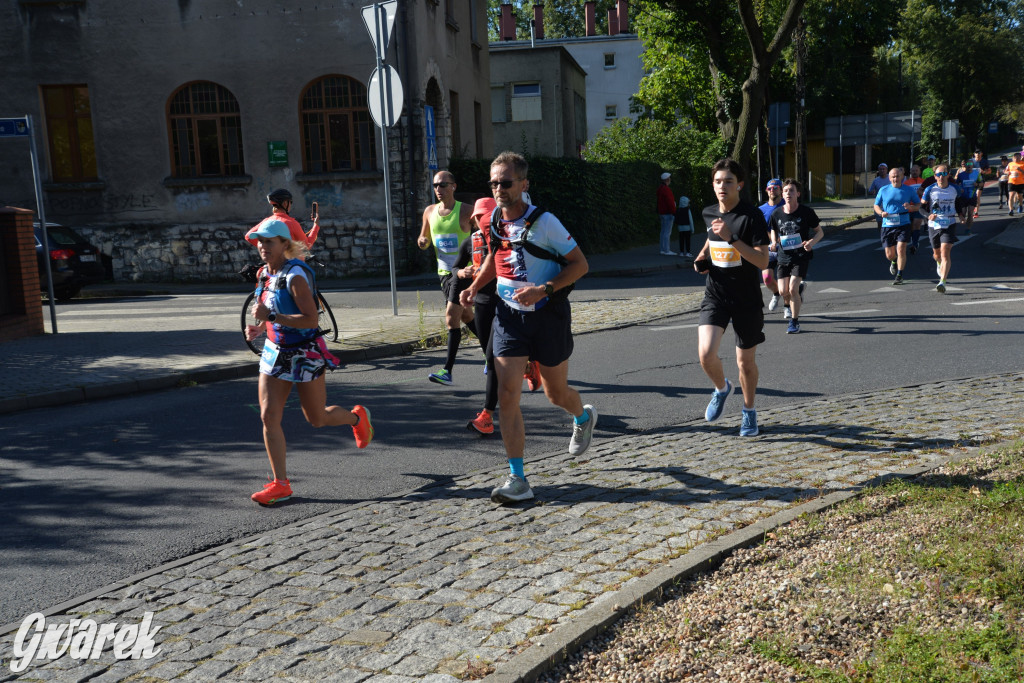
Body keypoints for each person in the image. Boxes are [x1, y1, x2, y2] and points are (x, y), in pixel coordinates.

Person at [460, 151, 595, 504]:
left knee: (556, 393)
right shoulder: (493, 221)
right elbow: (495, 255)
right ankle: (518, 478)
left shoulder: (546, 221)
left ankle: (582, 416)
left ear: (523, 184)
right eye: (494, 182)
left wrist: (544, 288)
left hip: (548, 314)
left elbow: (580, 264)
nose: (499, 188)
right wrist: (475, 286)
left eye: (506, 182)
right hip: (508, 317)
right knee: (507, 394)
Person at [243, 219, 373, 506]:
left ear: (284, 244)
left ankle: (357, 418)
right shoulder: (264, 274)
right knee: (268, 416)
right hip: (274, 351)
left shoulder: (296, 275)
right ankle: (281, 484)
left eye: (269, 242)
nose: (262, 247)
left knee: (316, 418)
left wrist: (271, 318)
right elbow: (270, 310)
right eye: (259, 242)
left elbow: (311, 319)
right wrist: (260, 329)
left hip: (304, 352)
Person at [692, 158, 770, 437]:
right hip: (716, 295)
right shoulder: (709, 212)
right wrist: (702, 257)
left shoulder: (752, 216)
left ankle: (749, 412)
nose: (722, 186)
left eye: (728, 181)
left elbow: (762, 262)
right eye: (717, 181)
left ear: (739, 184)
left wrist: (731, 238)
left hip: (746, 299)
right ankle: (721, 388)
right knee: (705, 354)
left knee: (744, 363)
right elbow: (711, 238)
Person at [454, 198, 543, 436]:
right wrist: (465, 278)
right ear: (474, 220)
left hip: (505, 304)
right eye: (478, 217)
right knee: (489, 356)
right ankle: (528, 365)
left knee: (493, 359)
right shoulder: (471, 242)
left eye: (487, 216)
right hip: (482, 304)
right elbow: (455, 268)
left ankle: (487, 415)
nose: (482, 222)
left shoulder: (507, 240)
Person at [417, 170, 475, 386]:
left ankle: (447, 371)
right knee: (467, 316)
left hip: (463, 273)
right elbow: (424, 239)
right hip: (444, 274)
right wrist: (422, 242)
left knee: (451, 316)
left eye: (443, 185)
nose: (438, 189)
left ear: (454, 186)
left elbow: (484, 237)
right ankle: (493, 353)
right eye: (435, 185)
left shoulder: (467, 211)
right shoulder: (429, 212)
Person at [769, 178, 823, 334]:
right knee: (782, 291)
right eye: (785, 190)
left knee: (791, 290)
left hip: (800, 256)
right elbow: (774, 229)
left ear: (798, 194)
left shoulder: (806, 212)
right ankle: (798, 289)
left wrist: (811, 243)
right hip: (783, 256)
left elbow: (820, 232)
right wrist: (773, 241)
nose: (788, 193)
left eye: (791, 190)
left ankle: (794, 322)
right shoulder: (777, 213)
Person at [873, 166, 921, 285]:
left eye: (897, 176)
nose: (895, 178)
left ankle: (899, 275)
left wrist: (911, 208)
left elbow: (918, 204)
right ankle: (893, 262)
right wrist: (881, 213)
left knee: (901, 249)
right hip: (887, 224)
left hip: (903, 223)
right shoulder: (883, 190)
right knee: (890, 255)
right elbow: (876, 205)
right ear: (890, 178)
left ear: (902, 177)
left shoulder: (908, 190)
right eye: (893, 176)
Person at [920, 164, 961, 294]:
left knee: (945, 251)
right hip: (934, 224)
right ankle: (939, 264)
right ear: (935, 176)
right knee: (936, 254)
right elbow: (921, 208)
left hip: (949, 222)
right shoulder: (929, 190)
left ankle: (942, 281)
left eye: (943, 174)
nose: (941, 177)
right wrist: (928, 215)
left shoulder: (955, 189)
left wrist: (960, 214)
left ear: (948, 175)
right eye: (938, 174)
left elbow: (958, 203)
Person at [245, 188, 320, 250]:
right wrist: (316, 226)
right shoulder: (292, 223)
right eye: (290, 202)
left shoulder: (266, 221)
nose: (291, 204)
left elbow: (248, 236)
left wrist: (267, 249)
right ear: (285, 203)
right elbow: (306, 246)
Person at [757, 178, 785, 313]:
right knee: (767, 279)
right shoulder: (760, 210)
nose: (772, 190)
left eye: (775, 188)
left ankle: (789, 309)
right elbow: (760, 230)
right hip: (769, 249)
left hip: (787, 249)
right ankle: (777, 293)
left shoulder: (788, 204)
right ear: (766, 191)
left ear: (781, 190)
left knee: (786, 280)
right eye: (770, 188)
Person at [954, 159, 980, 234]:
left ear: (972, 165)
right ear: (965, 165)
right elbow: (956, 184)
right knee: (963, 212)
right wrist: (959, 189)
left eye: (970, 164)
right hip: (963, 196)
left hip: (972, 196)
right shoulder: (961, 175)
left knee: (970, 212)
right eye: (967, 164)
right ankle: (962, 221)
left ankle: (968, 229)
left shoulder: (977, 173)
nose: (969, 165)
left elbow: (981, 183)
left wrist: (977, 185)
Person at [903, 165, 924, 254]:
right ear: (910, 172)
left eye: (916, 170)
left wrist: (921, 193)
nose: (915, 172)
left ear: (919, 172)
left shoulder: (923, 182)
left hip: (919, 206)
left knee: (917, 224)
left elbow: (927, 193)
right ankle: (913, 239)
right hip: (909, 207)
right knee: (911, 226)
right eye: (913, 171)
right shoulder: (906, 183)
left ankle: (915, 244)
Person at [657, 172, 677, 255]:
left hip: (661, 212)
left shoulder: (660, 188)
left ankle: (662, 249)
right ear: (667, 180)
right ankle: (666, 250)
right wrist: (674, 211)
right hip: (668, 213)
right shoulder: (666, 189)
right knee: (667, 232)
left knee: (663, 231)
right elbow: (670, 202)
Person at [868, 164, 890, 232]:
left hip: (890, 204)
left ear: (887, 170)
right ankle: (882, 237)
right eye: (880, 169)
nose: (882, 170)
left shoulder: (891, 178)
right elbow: (870, 191)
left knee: (890, 223)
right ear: (878, 171)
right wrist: (872, 192)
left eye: (884, 169)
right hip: (879, 205)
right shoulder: (876, 180)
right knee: (880, 224)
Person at [973, 150, 991, 218]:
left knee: (977, 196)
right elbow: (965, 169)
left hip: (980, 181)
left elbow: (989, 171)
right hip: (971, 181)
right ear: (974, 154)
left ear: (981, 154)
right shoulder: (970, 161)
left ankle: (976, 212)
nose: (977, 154)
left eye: (979, 152)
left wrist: (983, 172)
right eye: (976, 152)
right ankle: (972, 209)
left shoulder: (984, 161)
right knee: (971, 196)